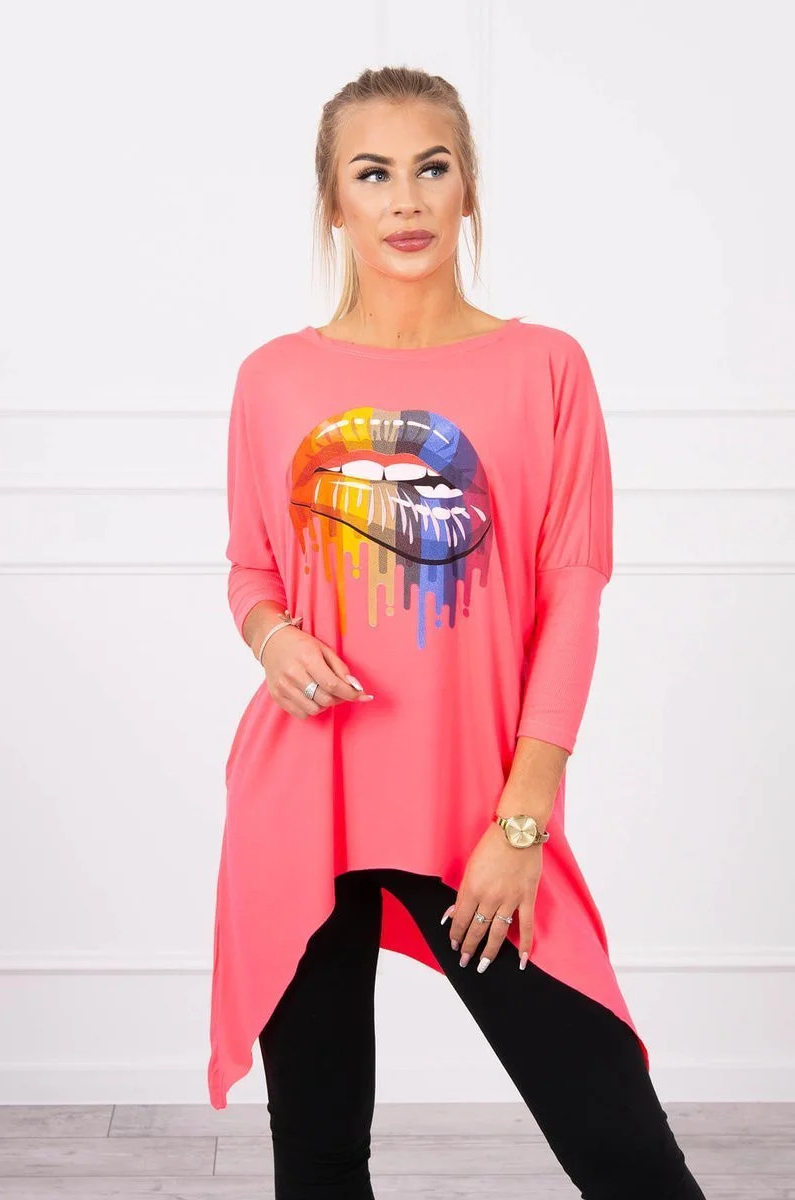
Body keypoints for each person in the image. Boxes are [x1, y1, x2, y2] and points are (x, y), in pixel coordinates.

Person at [208, 65, 707, 1199]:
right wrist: (272, 637)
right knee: (319, 1159)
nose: (405, 199)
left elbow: (572, 593)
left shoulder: (545, 366)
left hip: (480, 809)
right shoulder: (272, 377)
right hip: (303, 804)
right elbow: (250, 569)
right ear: (332, 202)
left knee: (625, 1156)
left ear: (468, 187)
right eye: (372, 173)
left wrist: (521, 823)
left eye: (431, 168)